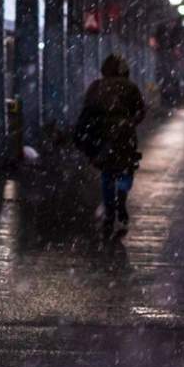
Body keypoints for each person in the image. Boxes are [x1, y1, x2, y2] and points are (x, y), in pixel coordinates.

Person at [75, 54, 146, 238]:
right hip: (125, 136)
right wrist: (129, 122)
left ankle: (109, 213)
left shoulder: (96, 86)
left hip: (103, 136)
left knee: (107, 175)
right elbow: (141, 111)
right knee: (125, 170)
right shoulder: (130, 87)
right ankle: (121, 197)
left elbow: (86, 111)